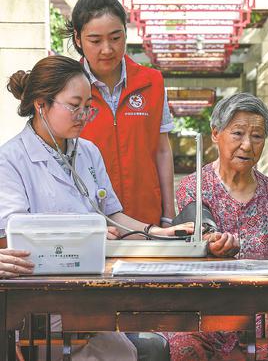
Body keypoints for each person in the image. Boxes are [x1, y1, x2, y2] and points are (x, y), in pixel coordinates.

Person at [0, 55, 204, 360]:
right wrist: (90, 234)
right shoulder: (11, 160)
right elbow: (19, 235)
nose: (84, 115)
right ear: (42, 104)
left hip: (95, 292)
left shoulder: (88, 152)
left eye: (88, 106)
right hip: (44, 302)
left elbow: (113, 215)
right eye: (74, 105)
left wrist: (158, 232)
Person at [167, 93, 268, 360]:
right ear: (216, 133)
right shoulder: (193, 187)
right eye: (238, 133)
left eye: (257, 136)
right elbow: (192, 249)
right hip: (207, 304)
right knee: (184, 345)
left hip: (266, 305)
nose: (247, 145)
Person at [64, 0, 175, 227]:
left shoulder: (152, 82)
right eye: (95, 40)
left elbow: (162, 151)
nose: (107, 49)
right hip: (88, 220)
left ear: (126, 32)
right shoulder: (65, 88)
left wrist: (169, 215)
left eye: (116, 37)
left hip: (147, 218)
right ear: (77, 38)